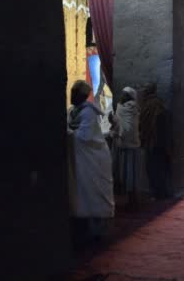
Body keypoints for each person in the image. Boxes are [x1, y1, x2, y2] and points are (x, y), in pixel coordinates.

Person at [67, 80, 114, 245]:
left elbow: (84, 137)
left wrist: (68, 132)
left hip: (93, 159)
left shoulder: (88, 113)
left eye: (75, 93)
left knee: (93, 193)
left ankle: (97, 232)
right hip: (80, 161)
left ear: (82, 96)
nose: (71, 95)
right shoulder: (73, 111)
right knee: (82, 194)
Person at [109, 86, 140, 209]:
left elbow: (128, 128)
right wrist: (113, 122)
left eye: (124, 94)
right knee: (125, 173)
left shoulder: (130, 109)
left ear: (128, 96)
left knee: (129, 173)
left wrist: (116, 132)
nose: (121, 96)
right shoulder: (120, 108)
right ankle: (128, 199)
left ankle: (133, 201)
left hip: (128, 145)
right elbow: (119, 124)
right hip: (122, 145)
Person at [139, 83, 172, 199]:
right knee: (160, 168)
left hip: (152, 142)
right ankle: (162, 192)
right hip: (160, 142)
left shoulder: (149, 105)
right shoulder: (159, 103)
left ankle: (157, 192)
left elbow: (146, 124)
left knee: (153, 168)